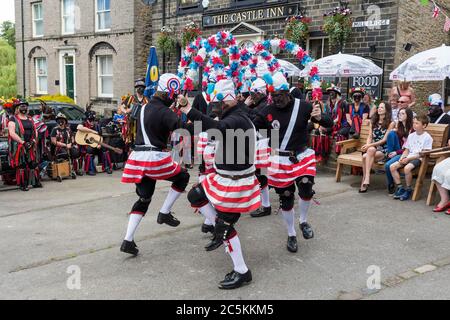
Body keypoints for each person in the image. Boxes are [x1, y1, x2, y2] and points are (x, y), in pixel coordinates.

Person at [182, 79, 260, 289]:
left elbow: (217, 127)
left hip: (237, 183)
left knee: (225, 230)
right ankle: (219, 223)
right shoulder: (235, 115)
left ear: (225, 101)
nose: (214, 106)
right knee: (195, 196)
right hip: (223, 177)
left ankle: (242, 271)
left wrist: (189, 109)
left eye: (217, 102)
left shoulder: (237, 119)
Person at [253, 72, 333, 253]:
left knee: (306, 186)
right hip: (280, 160)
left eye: (279, 96)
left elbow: (329, 124)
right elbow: (251, 125)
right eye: (272, 96)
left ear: (287, 93)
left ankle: (303, 221)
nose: (276, 100)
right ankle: (291, 234)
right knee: (286, 197)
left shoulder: (303, 107)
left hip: (301, 156)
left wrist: (320, 117)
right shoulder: (267, 111)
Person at [120, 73, 191, 256]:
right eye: (173, 96)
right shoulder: (164, 111)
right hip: (154, 157)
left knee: (144, 198)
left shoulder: (141, 108)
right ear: (168, 93)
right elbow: (182, 129)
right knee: (183, 176)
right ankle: (165, 211)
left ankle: (128, 240)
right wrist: (185, 109)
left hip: (137, 158)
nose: (174, 100)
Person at [390, 114, 433, 201]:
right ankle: (400, 187)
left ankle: (408, 189)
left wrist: (409, 159)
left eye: (417, 123)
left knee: (407, 168)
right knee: (392, 167)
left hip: (419, 159)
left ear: (424, 125)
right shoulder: (411, 135)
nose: (414, 125)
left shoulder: (427, 137)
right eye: (413, 123)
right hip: (408, 157)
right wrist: (402, 158)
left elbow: (423, 154)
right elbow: (406, 150)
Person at [359, 102, 395, 193]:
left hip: (384, 150)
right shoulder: (373, 121)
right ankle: (366, 178)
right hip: (373, 149)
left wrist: (369, 146)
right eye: (379, 107)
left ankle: (365, 179)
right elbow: (370, 136)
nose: (379, 109)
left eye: (382, 108)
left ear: (387, 110)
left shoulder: (391, 123)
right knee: (369, 151)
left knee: (365, 156)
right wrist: (367, 145)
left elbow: (384, 140)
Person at [7, 99, 42, 191]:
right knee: (21, 165)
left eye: (25, 106)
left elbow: (35, 131)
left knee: (33, 164)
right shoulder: (12, 119)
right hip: (19, 146)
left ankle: (35, 182)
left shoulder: (30, 118)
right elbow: (12, 133)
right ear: (17, 108)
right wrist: (23, 142)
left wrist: (33, 140)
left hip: (30, 144)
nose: (24, 108)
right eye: (22, 106)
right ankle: (23, 184)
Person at [384, 108, 414, 194]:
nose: (400, 115)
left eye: (402, 114)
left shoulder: (412, 129)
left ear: (408, 116)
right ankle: (389, 155)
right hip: (400, 150)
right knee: (391, 133)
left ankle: (392, 184)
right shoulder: (400, 127)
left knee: (387, 165)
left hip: (407, 153)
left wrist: (397, 153)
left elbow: (409, 148)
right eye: (399, 114)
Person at [50, 113, 77, 178]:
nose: (61, 121)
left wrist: (71, 144)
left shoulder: (68, 129)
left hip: (68, 146)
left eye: (62, 120)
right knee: (64, 153)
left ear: (65, 121)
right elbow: (53, 141)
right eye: (59, 120)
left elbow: (72, 138)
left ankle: (72, 169)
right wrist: (65, 145)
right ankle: (61, 170)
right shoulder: (55, 129)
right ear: (57, 121)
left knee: (75, 153)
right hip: (58, 148)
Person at [328, 85, 349, 153]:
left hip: (343, 124)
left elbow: (338, 118)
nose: (332, 99)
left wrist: (330, 123)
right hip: (336, 124)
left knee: (340, 133)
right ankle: (322, 151)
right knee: (322, 131)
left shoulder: (342, 103)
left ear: (337, 96)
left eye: (333, 95)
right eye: (330, 96)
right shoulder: (332, 105)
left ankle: (339, 152)